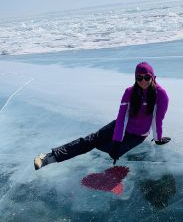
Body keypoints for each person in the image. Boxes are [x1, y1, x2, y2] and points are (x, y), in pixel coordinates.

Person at [34, 62, 170, 170]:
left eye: (147, 77)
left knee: (113, 152)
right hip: (120, 125)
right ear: (135, 78)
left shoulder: (161, 95)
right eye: (139, 78)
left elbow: (157, 119)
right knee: (90, 141)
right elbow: (122, 118)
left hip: (138, 135)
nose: (143, 81)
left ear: (152, 77)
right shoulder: (130, 92)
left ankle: (99, 146)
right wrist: (117, 140)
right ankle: (48, 157)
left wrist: (157, 139)